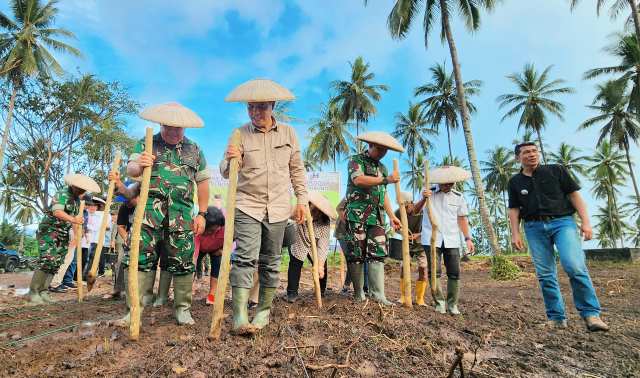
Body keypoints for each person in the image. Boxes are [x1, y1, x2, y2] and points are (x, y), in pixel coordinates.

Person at [221, 78, 308, 335]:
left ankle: (263, 311)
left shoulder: (289, 134)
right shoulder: (239, 134)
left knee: (271, 261)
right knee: (245, 257)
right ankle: (238, 315)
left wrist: (302, 200)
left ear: (272, 106)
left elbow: (297, 170)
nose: (255, 113)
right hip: (248, 205)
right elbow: (226, 172)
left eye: (261, 107)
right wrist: (231, 159)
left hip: (279, 207)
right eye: (250, 108)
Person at [119, 102, 210, 326]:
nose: (173, 132)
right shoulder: (146, 143)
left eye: (178, 128)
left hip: (181, 216)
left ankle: (182, 309)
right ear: (161, 124)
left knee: (183, 262)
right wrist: (140, 164)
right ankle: (134, 311)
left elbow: (203, 183)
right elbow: (130, 170)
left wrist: (202, 214)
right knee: (139, 260)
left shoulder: (195, 150)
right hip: (148, 216)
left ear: (185, 127)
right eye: (168, 127)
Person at [508, 142, 609, 332]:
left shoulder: (556, 170)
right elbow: (514, 209)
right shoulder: (515, 182)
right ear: (518, 158)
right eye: (526, 152)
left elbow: (574, 196)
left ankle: (591, 314)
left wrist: (586, 222)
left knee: (574, 266)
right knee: (545, 274)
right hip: (533, 227)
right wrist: (515, 233)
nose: (531, 155)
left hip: (563, 223)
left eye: (534, 151)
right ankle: (556, 318)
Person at [343, 131, 403, 306]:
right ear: (370, 146)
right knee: (356, 254)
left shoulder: (382, 168)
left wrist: (392, 216)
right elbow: (359, 180)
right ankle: (358, 293)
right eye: (380, 149)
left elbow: (383, 194)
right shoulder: (356, 160)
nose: (382, 153)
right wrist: (385, 180)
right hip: (357, 215)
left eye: (385, 150)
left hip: (377, 217)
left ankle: (378, 295)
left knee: (378, 254)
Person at [27, 174, 100, 304]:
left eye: (84, 190)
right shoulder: (62, 194)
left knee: (55, 263)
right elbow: (57, 212)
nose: (82, 191)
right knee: (47, 260)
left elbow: (74, 218)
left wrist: (77, 234)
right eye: (80, 189)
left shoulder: (77, 200)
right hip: (49, 231)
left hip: (63, 233)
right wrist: (74, 219)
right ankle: (33, 292)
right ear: (74, 186)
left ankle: (43, 291)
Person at [415, 166, 475, 315]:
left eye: (451, 183)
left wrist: (468, 238)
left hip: (452, 239)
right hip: (431, 238)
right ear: (439, 181)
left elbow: (461, 219)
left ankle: (452, 304)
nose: (448, 185)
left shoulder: (458, 196)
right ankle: (439, 303)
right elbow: (415, 211)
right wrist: (424, 198)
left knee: (454, 272)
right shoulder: (428, 192)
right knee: (434, 272)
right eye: (445, 183)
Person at [286, 192, 337, 302]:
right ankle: (292, 293)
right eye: (314, 208)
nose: (317, 212)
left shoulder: (325, 222)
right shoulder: (301, 209)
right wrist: (297, 215)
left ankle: (321, 292)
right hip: (298, 239)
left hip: (314, 243)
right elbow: (288, 216)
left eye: (320, 211)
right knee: (295, 263)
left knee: (321, 265)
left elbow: (323, 245)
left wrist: (320, 265)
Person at [394, 192, 427, 306]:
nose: (403, 209)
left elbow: (430, 227)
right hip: (406, 244)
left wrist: (419, 234)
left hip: (421, 244)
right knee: (404, 268)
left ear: (411, 203)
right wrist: (401, 231)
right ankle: (403, 296)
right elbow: (394, 227)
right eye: (401, 206)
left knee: (423, 268)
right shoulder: (398, 212)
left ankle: (420, 298)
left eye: (406, 206)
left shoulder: (423, 212)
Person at [194, 206, 225, 305]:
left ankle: (212, 294)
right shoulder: (198, 229)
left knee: (217, 267)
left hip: (216, 249)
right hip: (200, 248)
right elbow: (194, 255)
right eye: (208, 230)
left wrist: (221, 250)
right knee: (192, 266)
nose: (210, 232)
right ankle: (188, 290)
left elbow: (234, 241)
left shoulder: (225, 229)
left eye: (213, 230)